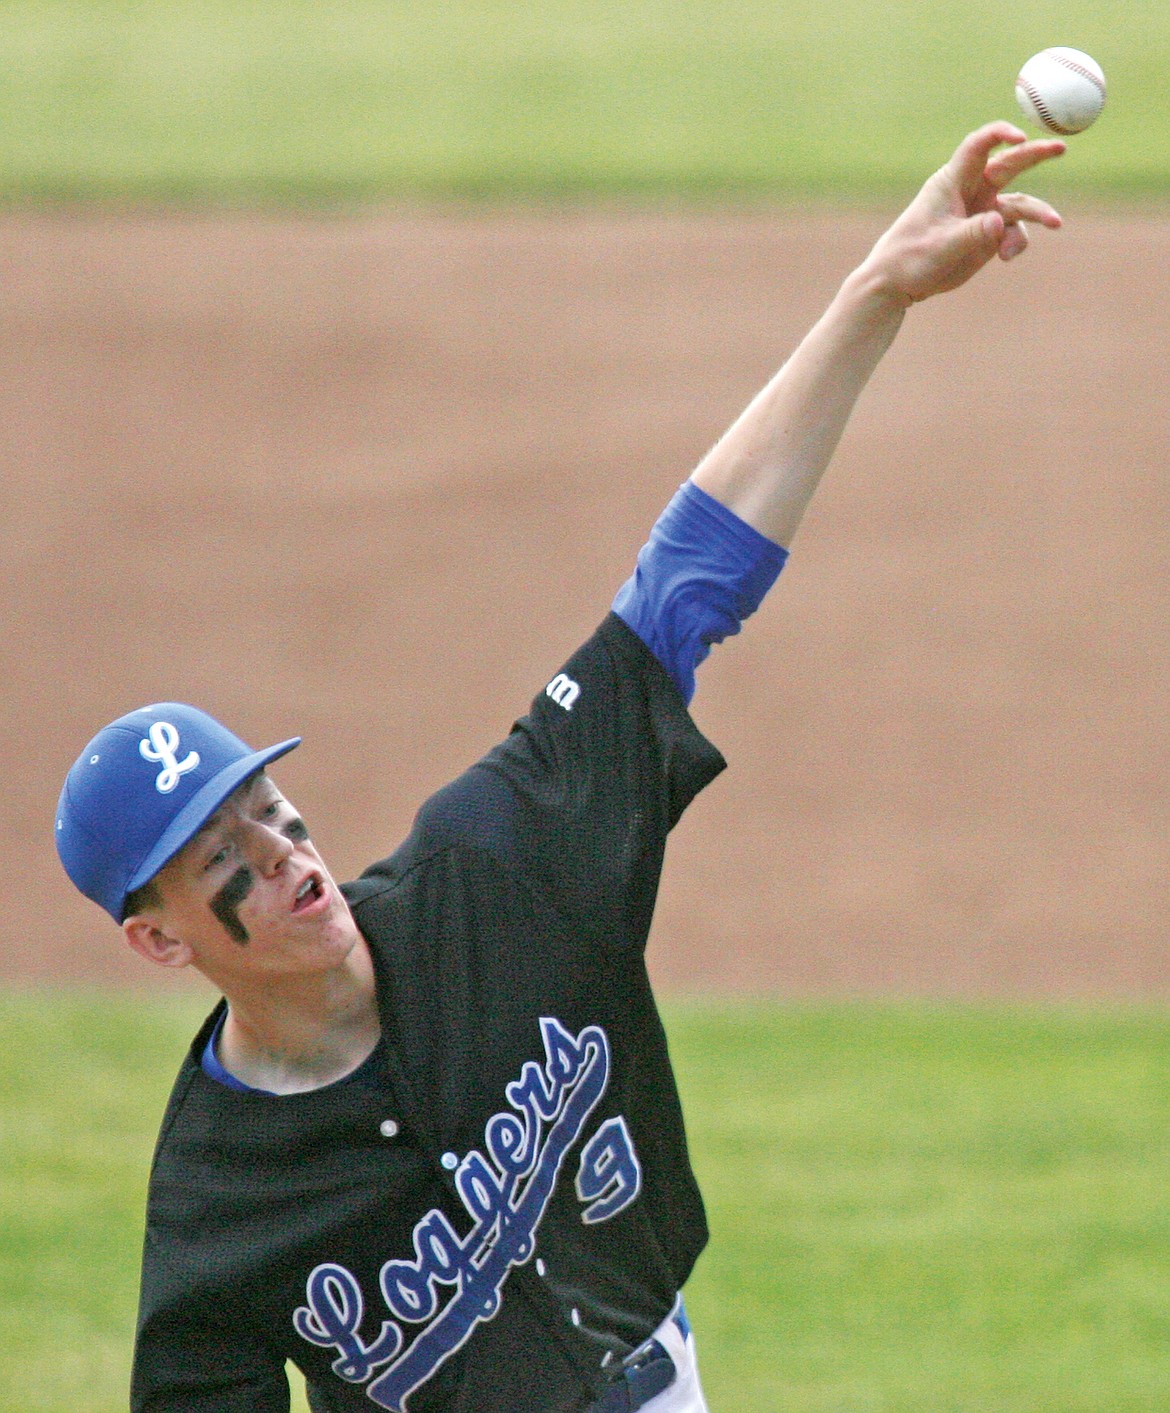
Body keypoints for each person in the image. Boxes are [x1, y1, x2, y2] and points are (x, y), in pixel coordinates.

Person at [55, 123, 1065, 1413]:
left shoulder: (497, 864)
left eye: (269, 808)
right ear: (160, 939)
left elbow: (679, 595)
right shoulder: (215, 1202)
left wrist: (877, 289)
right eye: (222, 861)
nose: (283, 854)